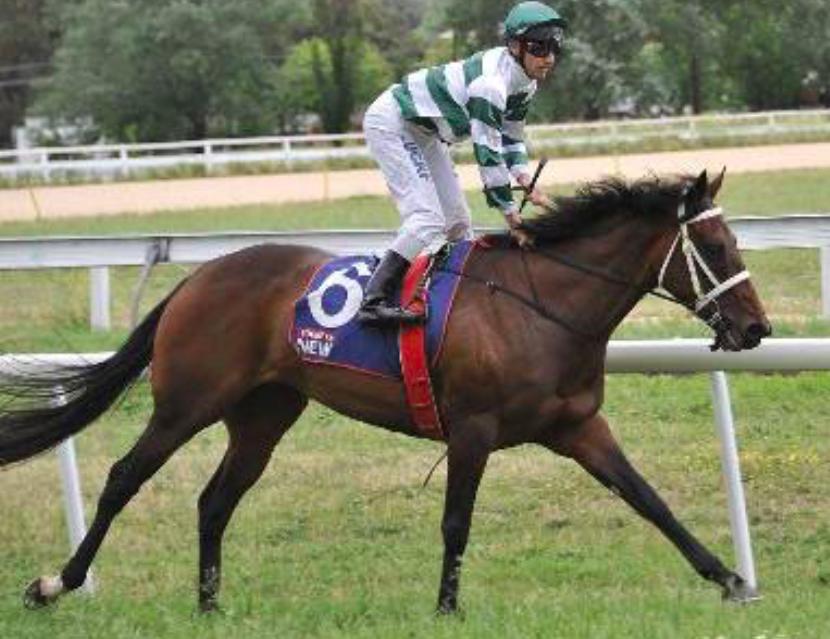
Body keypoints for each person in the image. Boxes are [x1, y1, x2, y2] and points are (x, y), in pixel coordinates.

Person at [357, 1, 566, 325]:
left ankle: (451, 301)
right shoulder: (491, 86)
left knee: (457, 222)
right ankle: (373, 300)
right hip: (392, 122)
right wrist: (512, 216)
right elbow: (488, 154)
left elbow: (511, 137)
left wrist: (526, 180)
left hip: (423, 132)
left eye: (555, 47)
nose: (549, 58)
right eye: (540, 47)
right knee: (426, 218)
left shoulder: (525, 82)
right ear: (515, 46)